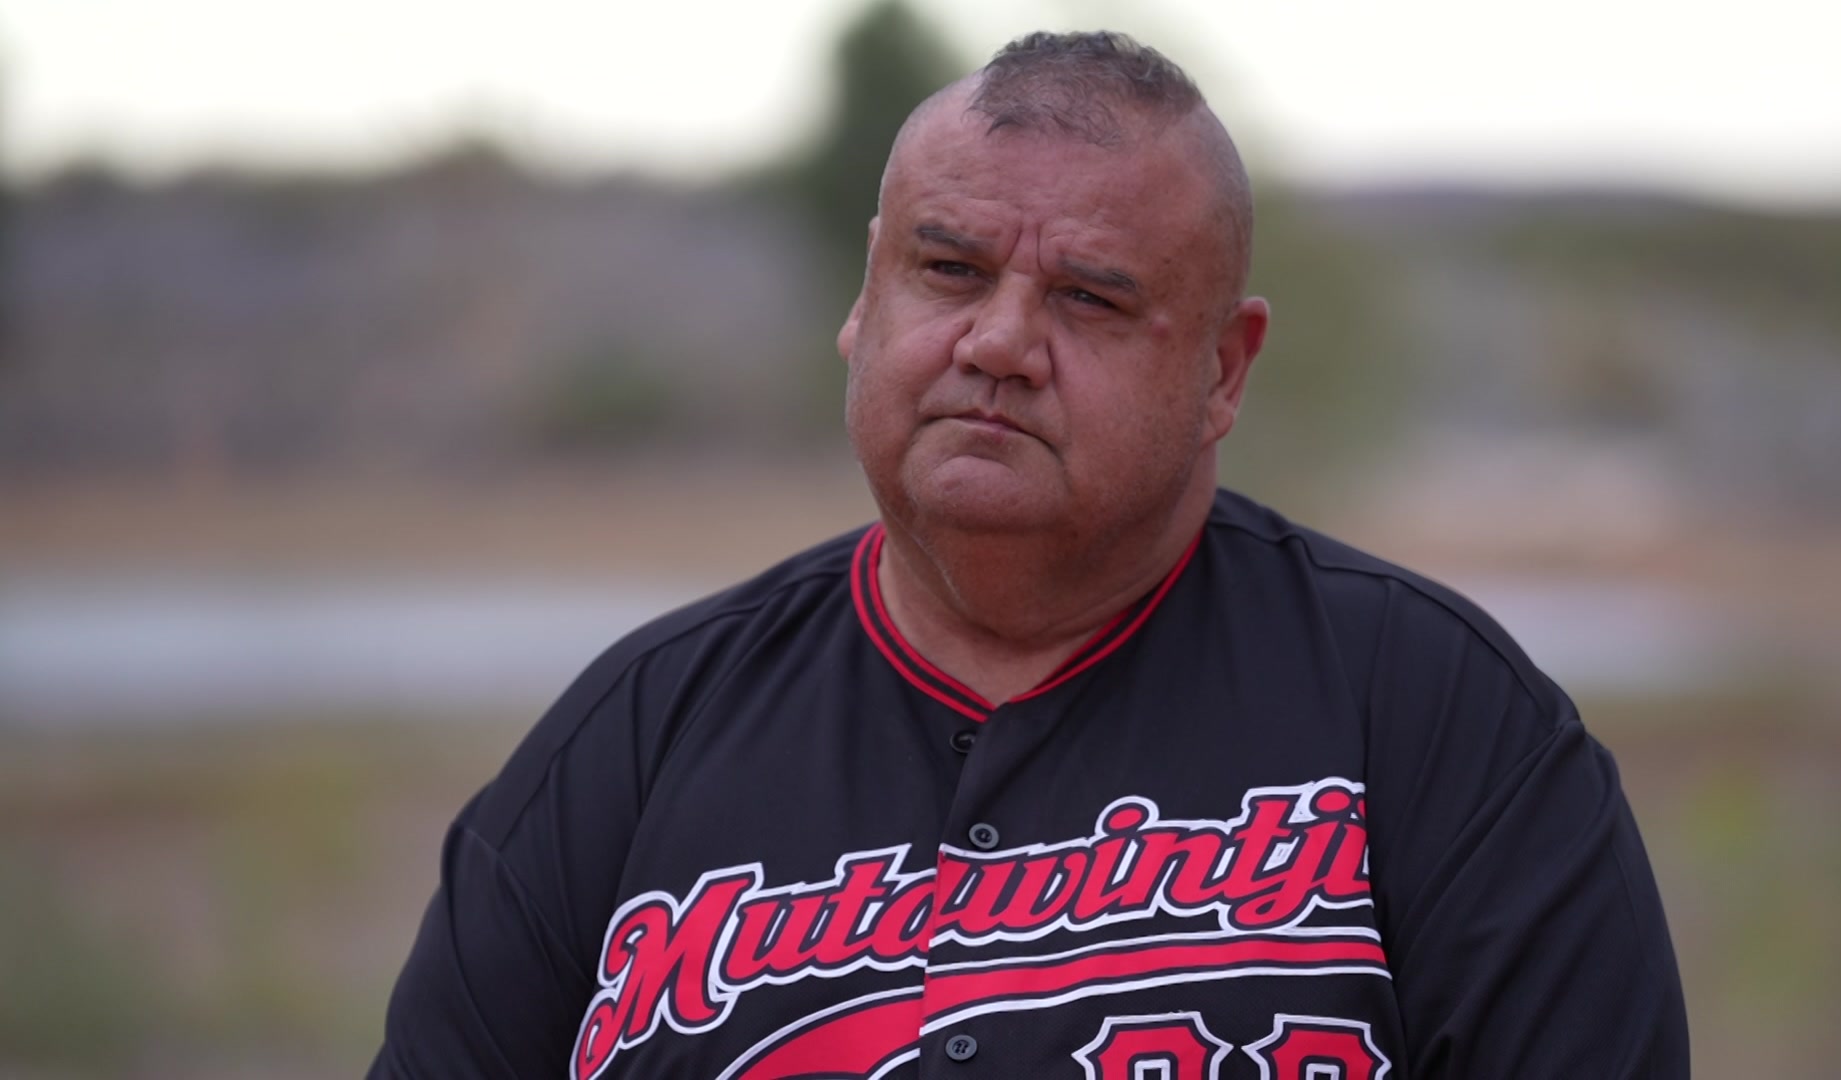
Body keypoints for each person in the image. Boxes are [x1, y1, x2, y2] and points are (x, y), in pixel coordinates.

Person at [371, 30, 1688, 1080]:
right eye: (949, 270)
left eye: (1090, 297)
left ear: (1225, 368)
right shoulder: (635, 737)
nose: (998, 341)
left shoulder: (1440, 720)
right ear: (866, 299)